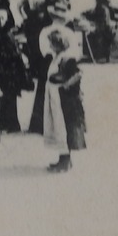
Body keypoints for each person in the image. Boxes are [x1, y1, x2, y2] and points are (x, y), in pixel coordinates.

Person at [43, 29, 87, 173]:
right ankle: (62, 158)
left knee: (64, 128)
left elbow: (77, 74)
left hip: (63, 100)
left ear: (58, 44)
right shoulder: (56, 57)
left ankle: (66, 161)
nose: (50, 46)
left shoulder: (66, 58)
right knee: (57, 127)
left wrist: (66, 86)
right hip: (54, 98)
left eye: (51, 43)